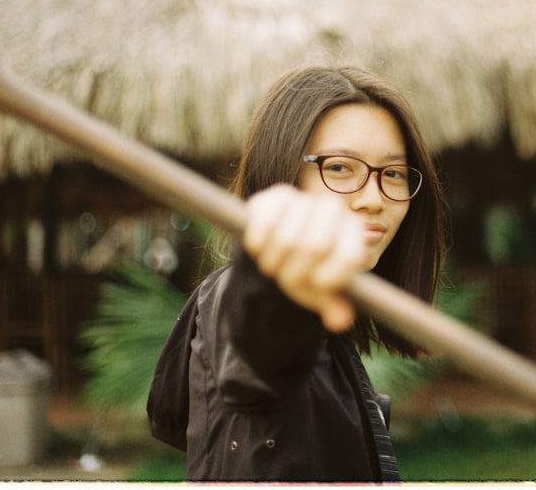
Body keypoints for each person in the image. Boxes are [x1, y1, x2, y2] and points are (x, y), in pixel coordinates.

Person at [147, 65, 446, 482]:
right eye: (341, 168)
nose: (375, 198)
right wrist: (275, 286)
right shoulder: (242, 300)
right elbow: (264, 345)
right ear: (282, 175)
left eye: (392, 173)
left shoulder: (332, 320)